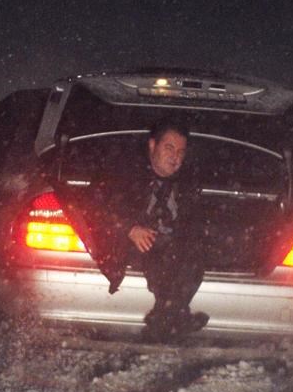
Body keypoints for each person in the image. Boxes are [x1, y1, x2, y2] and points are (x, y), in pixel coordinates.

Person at [87, 117, 209, 342]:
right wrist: (129, 228)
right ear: (152, 145)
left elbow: (195, 223)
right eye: (169, 148)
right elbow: (97, 208)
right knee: (164, 253)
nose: (175, 157)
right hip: (129, 245)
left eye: (181, 152)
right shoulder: (125, 173)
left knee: (190, 253)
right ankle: (173, 317)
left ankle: (168, 316)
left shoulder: (188, 182)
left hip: (170, 249)